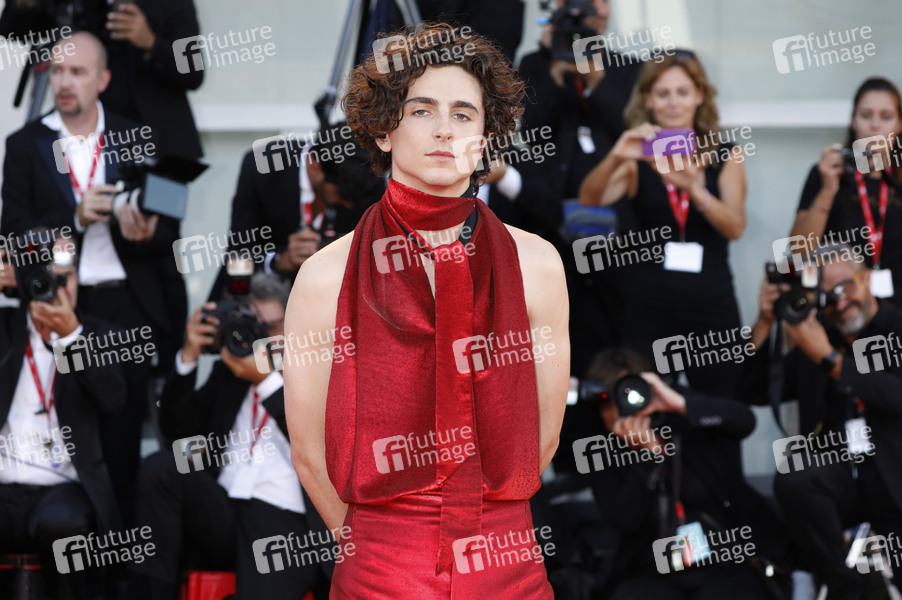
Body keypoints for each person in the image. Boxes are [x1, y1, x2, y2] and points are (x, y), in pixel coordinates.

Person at [284, 23, 569, 599]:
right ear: (384, 130)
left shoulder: (537, 263)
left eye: (464, 114)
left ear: (485, 136)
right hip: (379, 569)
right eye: (422, 110)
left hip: (508, 565)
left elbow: (544, 436)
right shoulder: (325, 275)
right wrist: (379, 549)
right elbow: (310, 454)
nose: (444, 130)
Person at [0, 30, 181, 520]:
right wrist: (75, 217)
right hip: (58, 304)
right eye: (58, 70)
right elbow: (13, 232)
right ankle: (61, 531)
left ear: (102, 79)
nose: (64, 81)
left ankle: (115, 559)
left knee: (121, 445)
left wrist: (146, 231)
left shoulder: (136, 134)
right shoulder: (25, 144)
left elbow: (171, 224)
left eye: (77, 72)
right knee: (68, 431)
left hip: (127, 307)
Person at [127, 272, 331, 600]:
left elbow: (319, 444)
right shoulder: (230, 374)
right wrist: (188, 357)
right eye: (254, 328)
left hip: (285, 518)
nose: (263, 339)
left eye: (273, 327)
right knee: (161, 468)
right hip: (223, 506)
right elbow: (178, 433)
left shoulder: (320, 373)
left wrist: (266, 381)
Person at [579, 51, 747, 398]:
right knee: (644, 407)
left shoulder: (724, 154)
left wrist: (694, 191)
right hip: (650, 306)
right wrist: (617, 154)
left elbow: (735, 227)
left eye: (682, 92)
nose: (673, 103)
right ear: (648, 99)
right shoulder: (637, 156)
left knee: (719, 410)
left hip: (711, 304)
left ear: (699, 95)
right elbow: (590, 198)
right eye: (663, 93)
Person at [743, 243, 902, 600]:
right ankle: (843, 587)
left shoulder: (895, 327)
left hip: (894, 477)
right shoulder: (817, 338)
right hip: (842, 477)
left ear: (867, 279)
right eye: (827, 295)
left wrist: (832, 361)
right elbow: (751, 390)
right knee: (796, 477)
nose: (839, 302)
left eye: (846, 287)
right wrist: (765, 323)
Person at [582, 349, 774, 600]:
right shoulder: (599, 453)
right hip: (649, 569)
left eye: (628, 395)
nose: (620, 409)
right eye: (609, 401)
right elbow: (626, 520)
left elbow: (744, 420)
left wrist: (680, 403)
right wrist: (648, 456)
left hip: (721, 559)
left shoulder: (676, 417)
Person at [0, 231, 126, 599]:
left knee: (65, 530)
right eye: (45, 279)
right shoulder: (5, 330)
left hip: (62, 488)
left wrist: (71, 336)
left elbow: (113, 400)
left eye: (65, 279)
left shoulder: (101, 336)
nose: (56, 290)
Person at [789, 77, 902, 308]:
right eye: (866, 115)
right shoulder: (827, 173)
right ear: (853, 120)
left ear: (899, 124)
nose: (875, 125)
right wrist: (828, 189)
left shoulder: (897, 181)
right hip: (838, 305)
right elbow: (799, 250)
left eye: (886, 116)